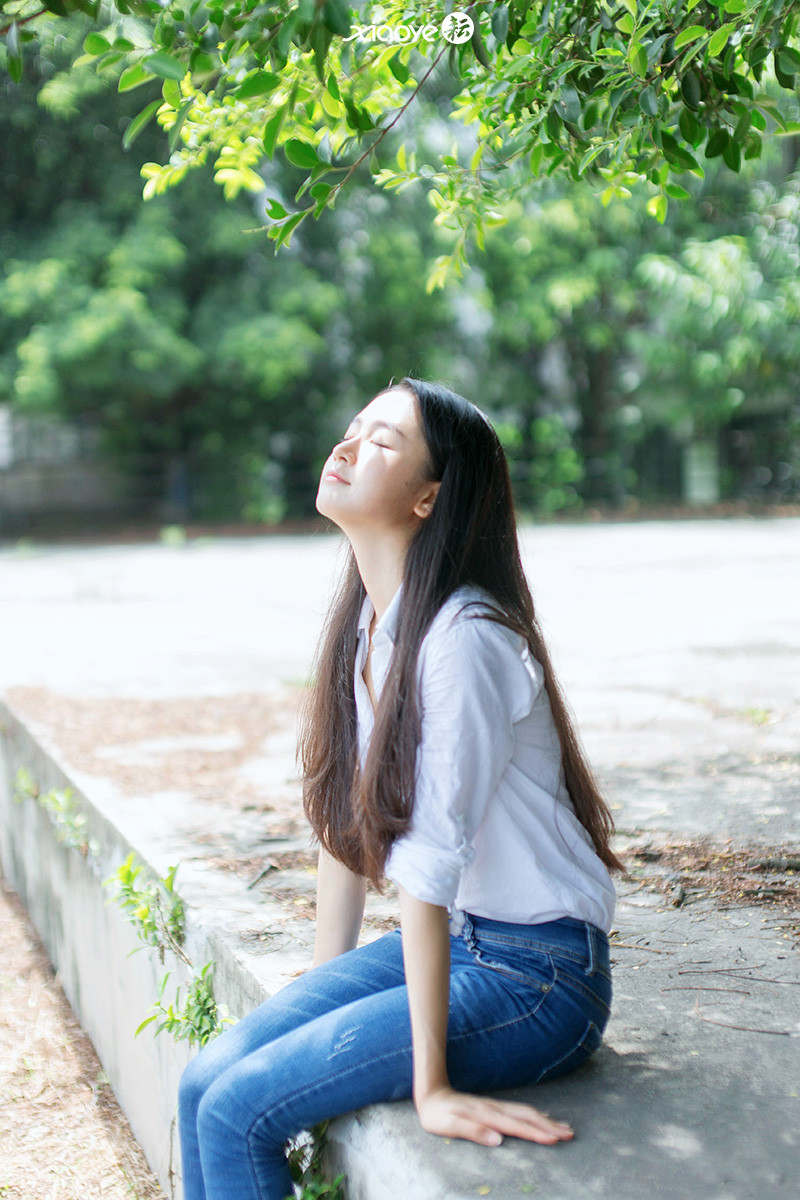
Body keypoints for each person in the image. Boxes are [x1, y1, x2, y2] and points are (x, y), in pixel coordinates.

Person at [177, 378, 623, 1200]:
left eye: (382, 442)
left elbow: (427, 863)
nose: (345, 447)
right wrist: (318, 994)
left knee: (240, 1110)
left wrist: (432, 1086)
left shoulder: (467, 640)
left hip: (539, 978)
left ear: (429, 498)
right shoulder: (371, 627)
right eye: (351, 429)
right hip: (464, 946)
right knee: (204, 1085)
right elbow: (350, 827)